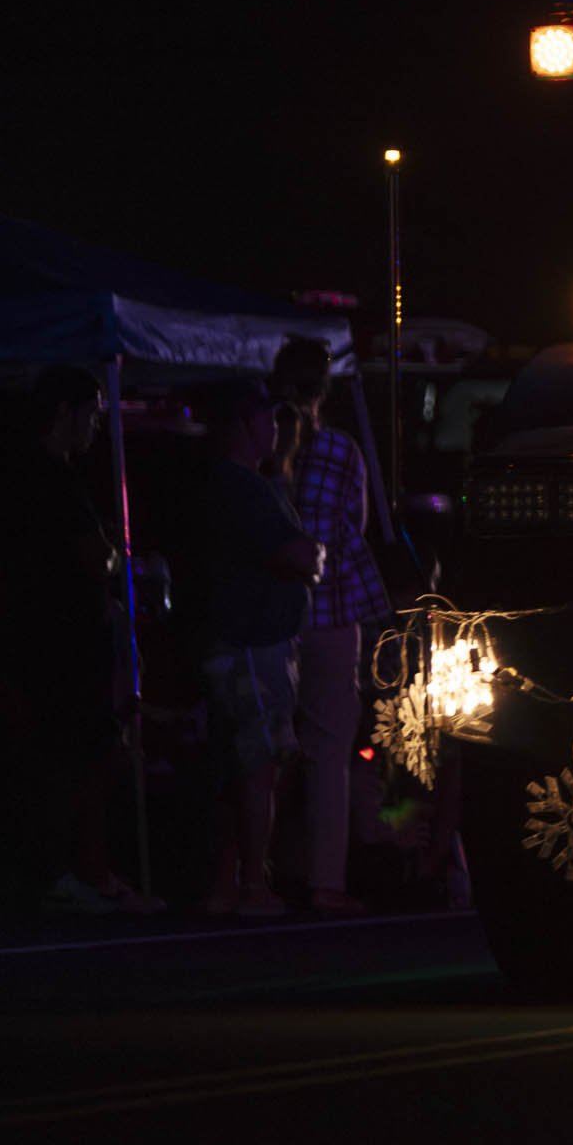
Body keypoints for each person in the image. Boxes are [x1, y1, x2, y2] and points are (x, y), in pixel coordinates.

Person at [0, 367, 159, 914]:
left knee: (58, 759)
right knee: (84, 757)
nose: (96, 424)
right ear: (64, 414)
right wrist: (115, 556)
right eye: (91, 412)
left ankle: (62, 871)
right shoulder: (55, 481)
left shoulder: (12, 479)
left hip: (35, 640)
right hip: (63, 643)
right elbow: (96, 556)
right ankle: (85, 873)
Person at [180, 378, 323, 916]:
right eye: (266, 420)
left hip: (243, 643)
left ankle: (227, 882)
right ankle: (251, 885)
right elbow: (299, 556)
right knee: (259, 762)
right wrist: (310, 554)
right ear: (243, 425)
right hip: (251, 647)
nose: (275, 430)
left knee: (243, 762)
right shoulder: (239, 486)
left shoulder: (232, 484)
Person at [271, 338, 390, 914]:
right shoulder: (341, 451)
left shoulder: (259, 446)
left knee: (264, 750)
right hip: (333, 610)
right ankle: (325, 882)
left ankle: (253, 873)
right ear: (327, 388)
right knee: (329, 750)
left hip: (268, 614)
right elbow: (357, 525)